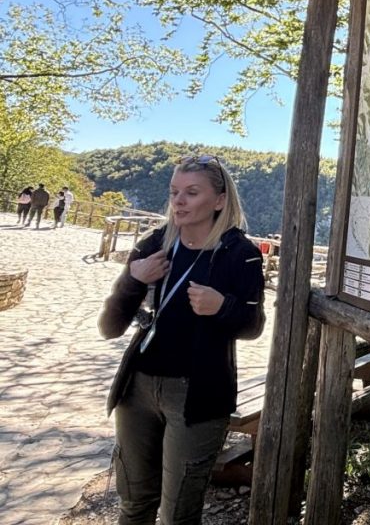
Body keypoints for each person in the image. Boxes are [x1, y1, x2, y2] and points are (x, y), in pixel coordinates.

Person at [98, 155, 265, 524]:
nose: (179, 201)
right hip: (137, 390)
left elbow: (253, 326)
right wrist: (133, 280)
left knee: (178, 513)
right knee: (135, 501)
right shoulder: (154, 244)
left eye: (192, 192)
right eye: (174, 192)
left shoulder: (242, 255)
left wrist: (222, 307)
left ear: (219, 200)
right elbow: (110, 326)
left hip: (198, 395)